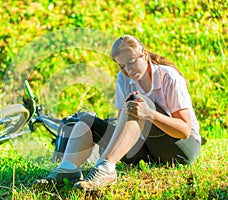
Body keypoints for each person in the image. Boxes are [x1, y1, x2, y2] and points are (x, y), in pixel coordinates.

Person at [32, 35, 201, 191]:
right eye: (122, 65)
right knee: (86, 121)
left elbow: (184, 131)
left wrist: (149, 114)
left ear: (144, 54)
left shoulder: (169, 77)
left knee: (138, 102)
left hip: (179, 151)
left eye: (132, 62)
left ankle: (105, 170)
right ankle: (67, 170)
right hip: (146, 152)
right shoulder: (123, 78)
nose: (128, 70)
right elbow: (124, 122)